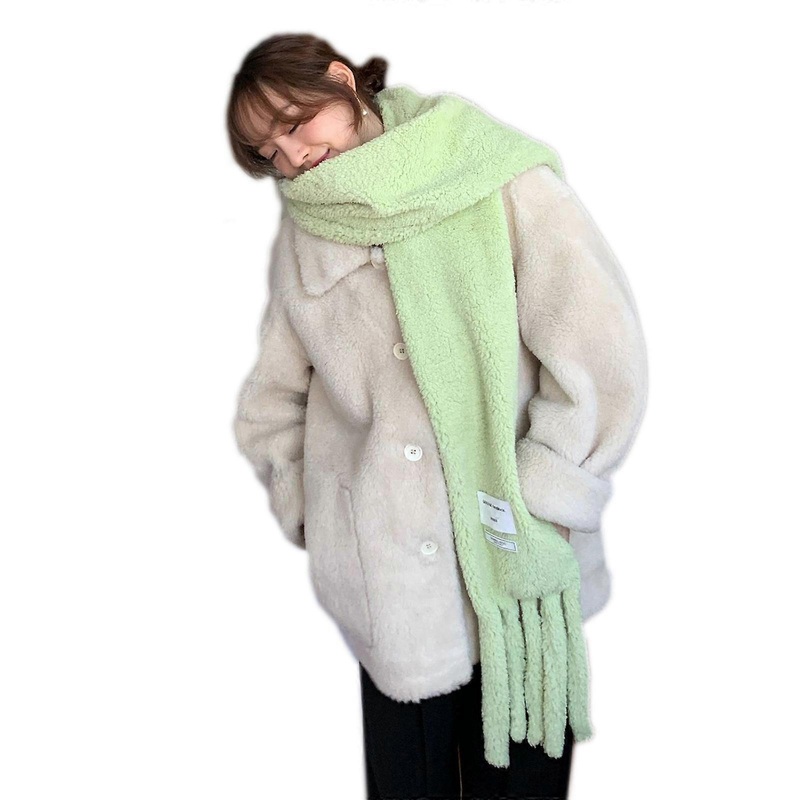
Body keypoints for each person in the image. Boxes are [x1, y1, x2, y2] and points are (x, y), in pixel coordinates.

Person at [227, 32, 648, 800]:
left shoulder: (490, 171)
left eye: (295, 123)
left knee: (518, 784)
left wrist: (547, 492)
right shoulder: (307, 229)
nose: (292, 157)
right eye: (268, 153)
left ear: (340, 79)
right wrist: (318, 512)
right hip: (388, 589)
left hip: (519, 565)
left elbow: (599, 350)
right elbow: (271, 400)